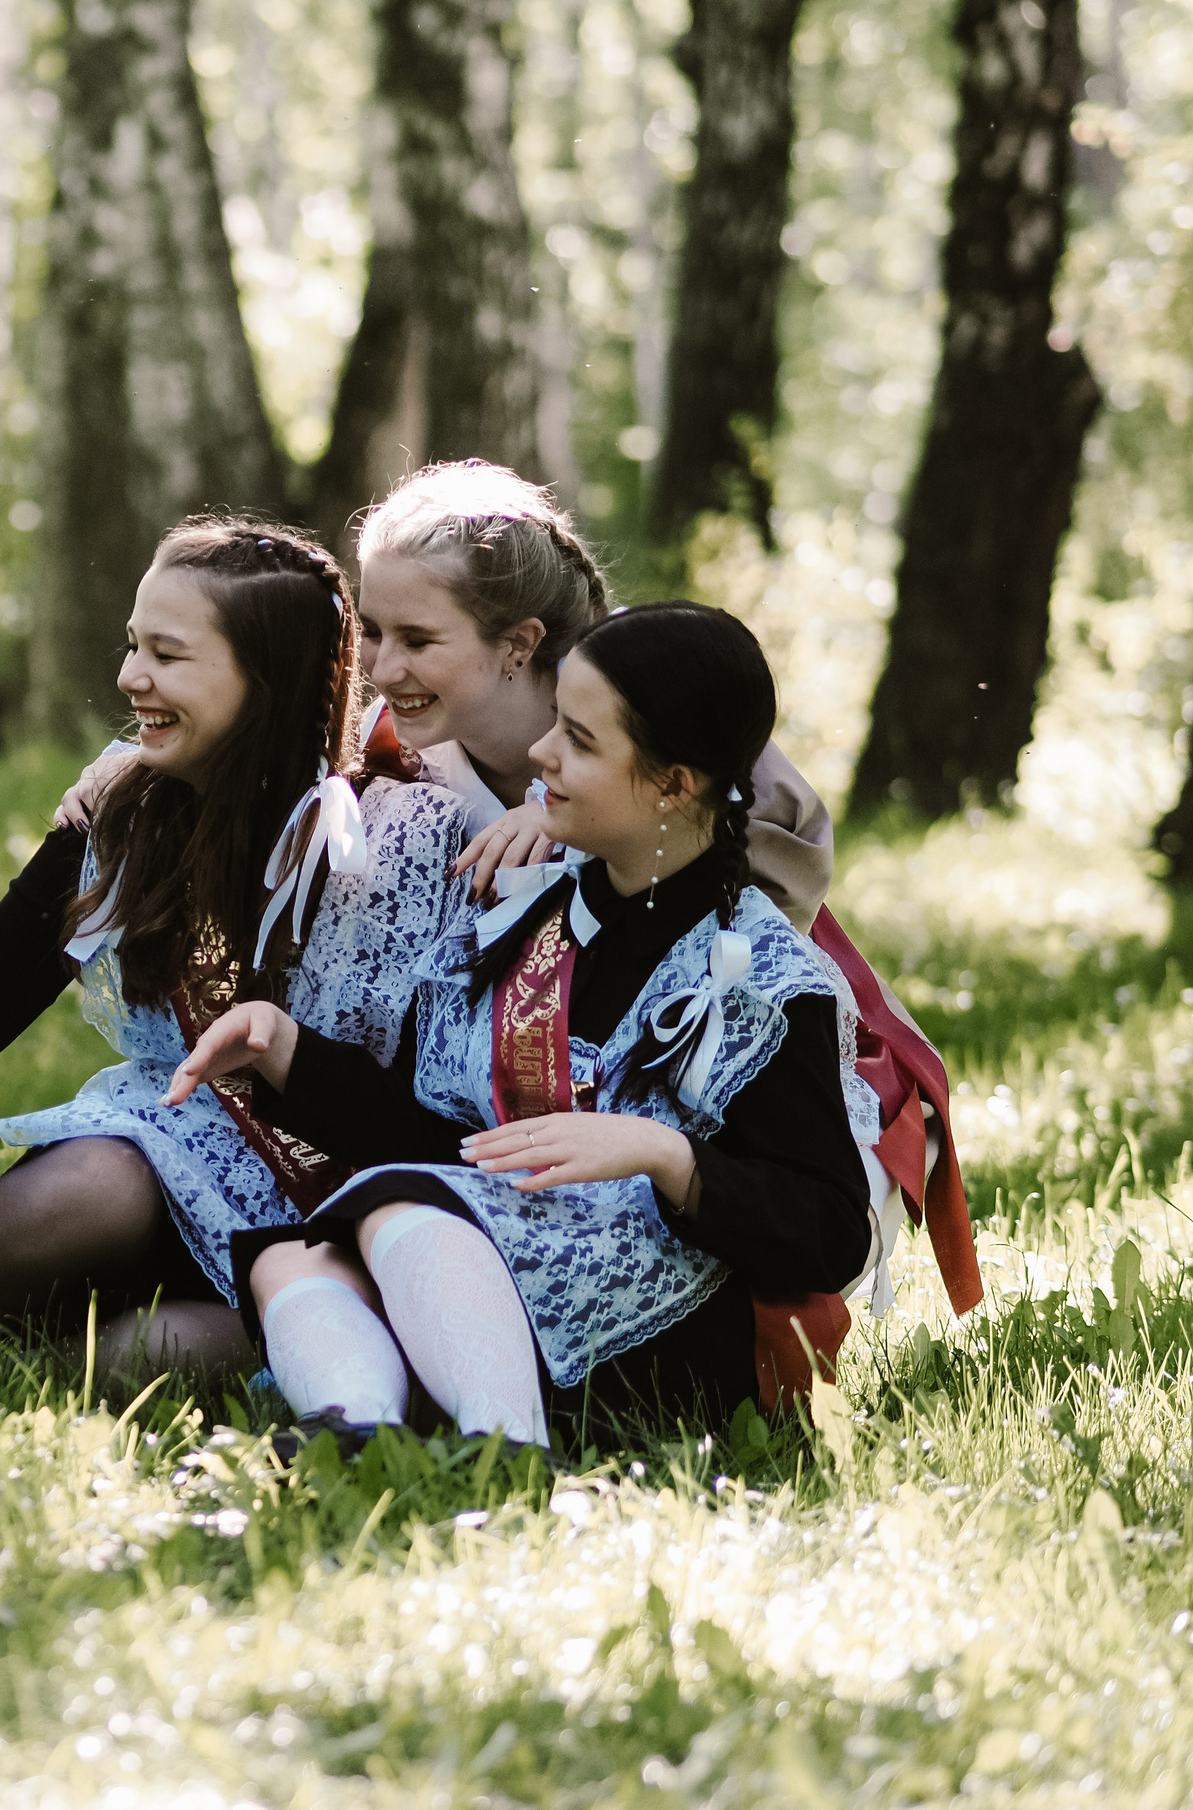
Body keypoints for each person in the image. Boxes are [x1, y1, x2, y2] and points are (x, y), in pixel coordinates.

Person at [60, 460, 980, 1361]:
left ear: (519, 644)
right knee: (278, 1287)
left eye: (416, 639)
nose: (380, 668)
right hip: (512, 1148)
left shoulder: (661, 713)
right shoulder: (405, 760)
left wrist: (576, 849)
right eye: (371, 632)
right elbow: (285, 783)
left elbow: (717, 927)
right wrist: (135, 765)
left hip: (705, 1122)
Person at [168, 603, 875, 1449]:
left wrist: (665, 1157)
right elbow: (440, 1139)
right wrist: (285, 1050)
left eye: (578, 739)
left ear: (673, 784)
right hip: (483, 1261)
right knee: (298, 1257)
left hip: (661, 1335)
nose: (540, 756)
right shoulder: (520, 920)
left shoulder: (764, 979)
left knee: (401, 1218)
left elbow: (832, 1234)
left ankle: (504, 1453)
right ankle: (357, 1439)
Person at [0, 518, 468, 1380]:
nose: (129, 677)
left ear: (268, 680)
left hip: (343, 1223)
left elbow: (429, 1128)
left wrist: (278, 1055)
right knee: (104, 1175)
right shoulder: (123, 810)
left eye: (168, 653)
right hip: (141, 1192)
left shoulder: (405, 841)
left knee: (137, 1358)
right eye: (131, 645)